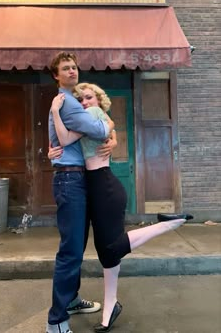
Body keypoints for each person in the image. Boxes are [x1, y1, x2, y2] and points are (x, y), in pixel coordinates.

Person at [49, 82, 193, 332]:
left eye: (88, 97)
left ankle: (168, 223)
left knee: (111, 249)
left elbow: (66, 137)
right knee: (106, 252)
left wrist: (54, 112)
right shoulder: (93, 119)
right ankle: (109, 307)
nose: (84, 103)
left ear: (98, 100)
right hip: (94, 187)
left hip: (104, 188)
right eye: (80, 99)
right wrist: (55, 153)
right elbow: (75, 141)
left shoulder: (92, 116)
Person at [47, 52, 116, 333]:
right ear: (56, 76)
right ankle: (56, 320)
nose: (72, 71)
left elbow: (60, 141)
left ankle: (71, 300)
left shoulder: (67, 103)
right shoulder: (69, 105)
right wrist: (109, 126)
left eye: (74, 67)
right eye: (66, 68)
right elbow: (99, 130)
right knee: (71, 251)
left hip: (77, 179)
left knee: (76, 247)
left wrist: (112, 134)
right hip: (70, 180)